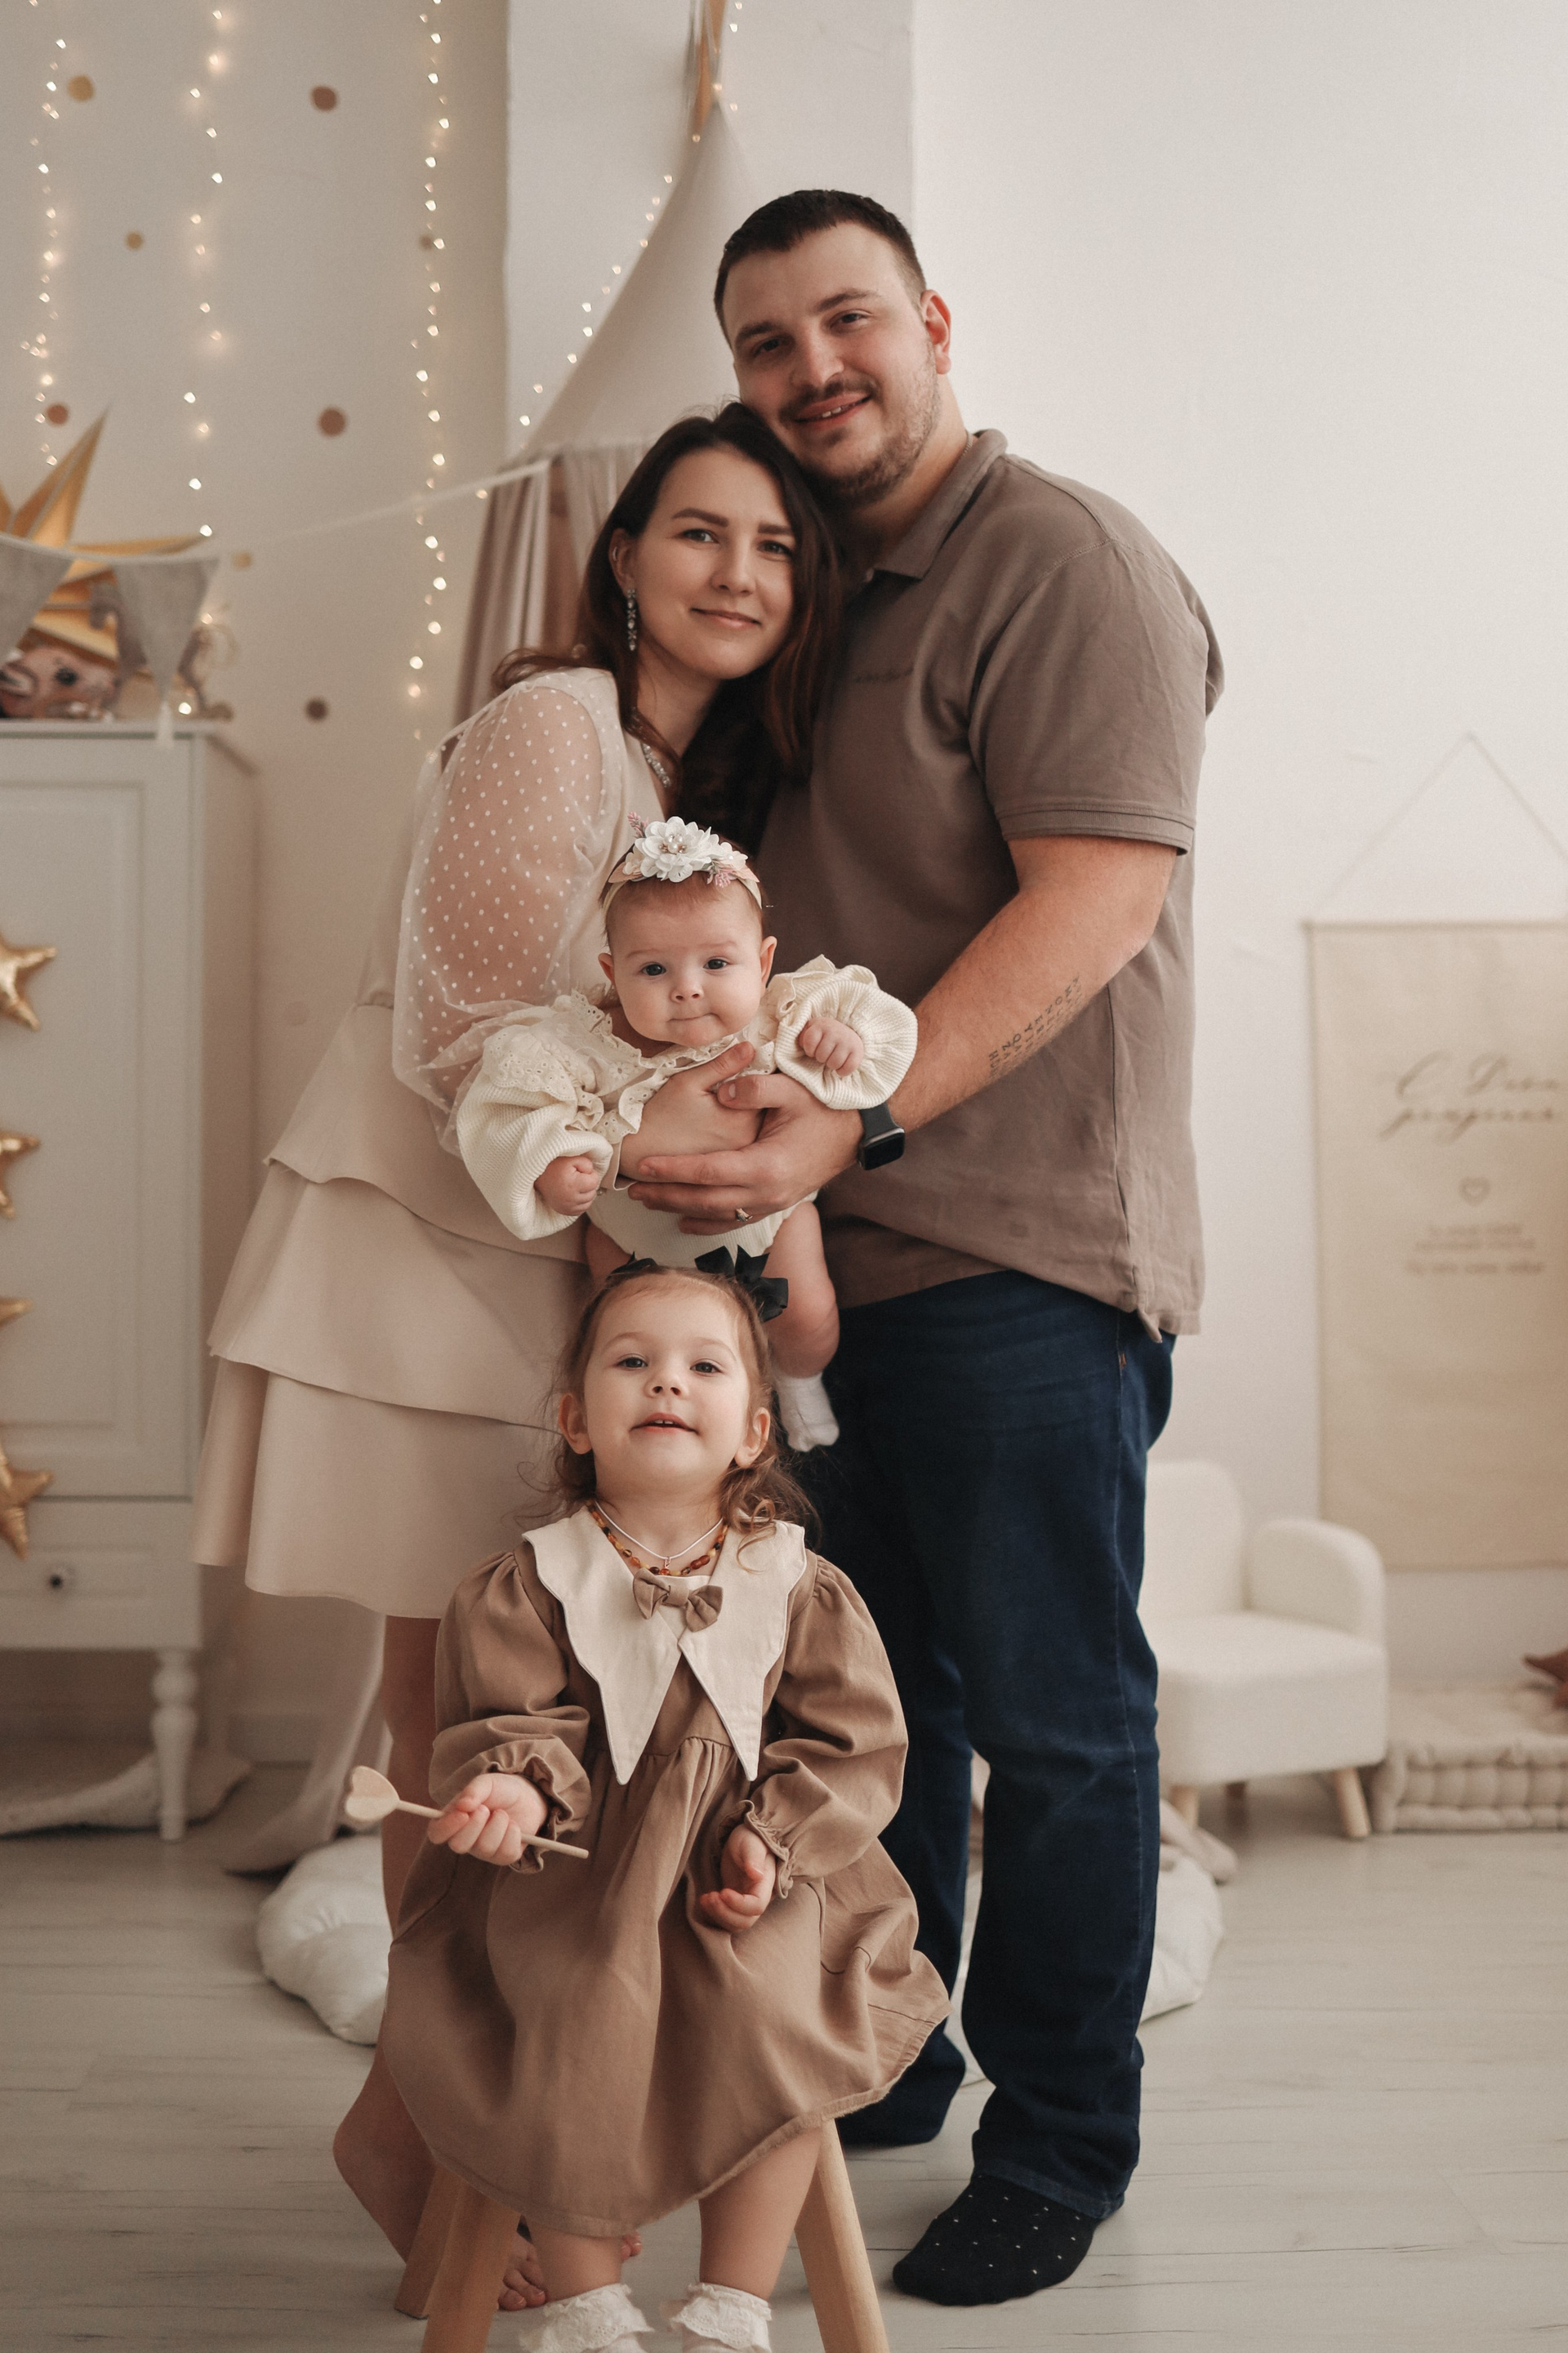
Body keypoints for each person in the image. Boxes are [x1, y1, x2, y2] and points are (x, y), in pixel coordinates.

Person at [626, 191, 1224, 2306]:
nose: (814, 370)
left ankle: (1058, 2143)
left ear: (934, 321)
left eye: (848, 319)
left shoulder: (1058, 560)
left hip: (1018, 1250)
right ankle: (892, 2053)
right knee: (879, 1711)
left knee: (1056, 1724)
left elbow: (1100, 895)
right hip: (821, 1269)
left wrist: (862, 1117)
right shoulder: (805, 590)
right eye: (767, 342)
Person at [191, 403, 844, 2307]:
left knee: (523, 1716)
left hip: (551, 1270)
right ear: (623, 554)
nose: (737, 572)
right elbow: (474, 1022)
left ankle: (453, 2137)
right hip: (432, 1255)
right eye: (700, 531)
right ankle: (434, 2139)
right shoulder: (556, 719)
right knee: (460, 1722)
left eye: (776, 547)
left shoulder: (692, 783)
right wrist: (701, 1225)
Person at [382, 1261, 947, 2353]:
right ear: (574, 1419)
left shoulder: (798, 1584)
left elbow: (853, 1739)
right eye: (632, 1361)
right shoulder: (529, 1583)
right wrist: (511, 1784)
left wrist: (771, 1839)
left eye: (704, 1366)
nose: (666, 1383)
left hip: (753, 1880)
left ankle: (730, 2308)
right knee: (568, 2009)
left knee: (783, 2021)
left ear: (754, 1433)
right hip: (575, 1878)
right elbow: (513, 1718)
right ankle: (589, 2309)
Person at [452, 819, 916, 1448]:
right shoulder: (580, 1043)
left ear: (764, 961)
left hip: (770, 1227)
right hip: (633, 1234)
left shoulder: (781, 1016)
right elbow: (516, 1109)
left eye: (717, 963)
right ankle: (628, 1431)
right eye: (653, 969)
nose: (688, 987)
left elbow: (880, 1029)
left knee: (808, 1317)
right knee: (620, 1328)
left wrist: (843, 1039)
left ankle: (799, 1378)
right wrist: (555, 1163)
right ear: (612, 972)